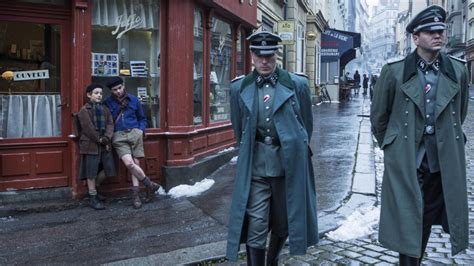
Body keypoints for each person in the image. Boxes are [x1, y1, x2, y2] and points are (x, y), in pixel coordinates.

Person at [370, 5, 469, 265]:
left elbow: (460, 114)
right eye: (430, 31)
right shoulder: (393, 71)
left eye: (441, 30)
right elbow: (379, 117)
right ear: (416, 37)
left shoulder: (458, 70)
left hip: (441, 162)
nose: (438, 35)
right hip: (407, 161)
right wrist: (392, 148)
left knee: (425, 218)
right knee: (408, 219)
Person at [226, 31, 318, 265]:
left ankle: (272, 259)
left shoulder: (298, 84)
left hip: (288, 165)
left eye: (269, 55)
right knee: (256, 222)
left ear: (277, 54)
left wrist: (295, 146)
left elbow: (306, 125)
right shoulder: (238, 88)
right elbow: (239, 129)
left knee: (284, 221)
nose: (264, 61)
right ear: (252, 55)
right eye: (259, 56)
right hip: (256, 166)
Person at [104, 77, 160, 209]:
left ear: (123, 86)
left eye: (119, 88)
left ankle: (136, 196)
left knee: (136, 163)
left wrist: (140, 130)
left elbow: (142, 118)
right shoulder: (107, 103)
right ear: (111, 91)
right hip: (118, 135)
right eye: (114, 90)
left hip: (135, 133)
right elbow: (108, 122)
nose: (118, 91)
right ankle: (150, 185)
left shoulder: (134, 100)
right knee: (129, 163)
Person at [78, 83, 116, 210]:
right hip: (91, 144)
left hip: (104, 143)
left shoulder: (105, 109)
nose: (99, 95)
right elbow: (87, 128)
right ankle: (93, 197)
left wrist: (106, 137)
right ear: (89, 95)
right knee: (91, 172)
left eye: (101, 93)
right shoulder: (84, 110)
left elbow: (110, 123)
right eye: (96, 93)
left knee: (108, 168)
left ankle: (94, 189)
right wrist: (98, 139)